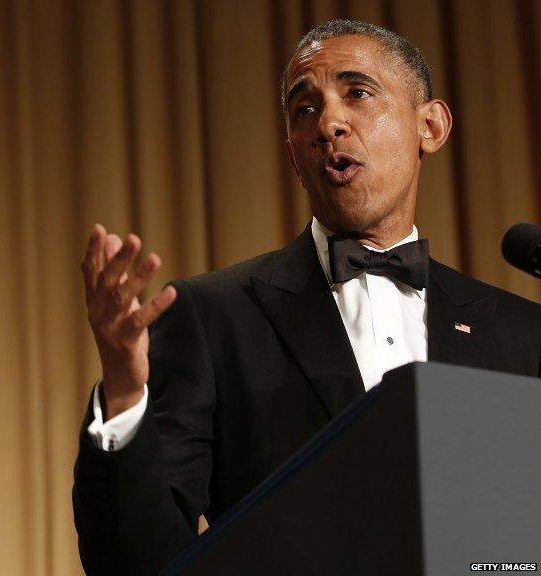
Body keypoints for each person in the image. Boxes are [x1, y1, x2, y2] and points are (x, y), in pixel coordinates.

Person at [73, 19, 541, 575]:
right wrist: (125, 394)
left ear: (431, 127)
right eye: (305, 110)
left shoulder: (521, 332)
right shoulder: (213, 316)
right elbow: (137, 561)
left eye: (358, 94)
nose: (329, 124)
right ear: (294, 155)